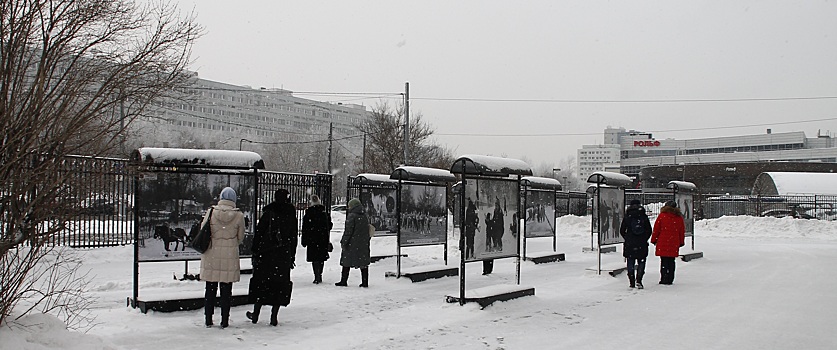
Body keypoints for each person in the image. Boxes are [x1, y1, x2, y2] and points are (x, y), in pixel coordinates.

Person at [247, 189, 297, 326]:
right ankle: (274, 316)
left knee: (262, 284)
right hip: (283, 255)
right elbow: (293, 237)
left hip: (266, 254)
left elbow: (259, 233)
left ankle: (256, 313)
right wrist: (292, 255)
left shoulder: (269, 213)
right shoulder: (290, 213)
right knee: (279, 286)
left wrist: (255, 251)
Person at [200, 187, 245, 328]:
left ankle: (208, 318)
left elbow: (203, 230)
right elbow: (241, 237)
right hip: (229, 256)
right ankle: (224, 319)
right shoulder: (239, 216)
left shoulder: (211, 212)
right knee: (226, 291)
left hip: (211, 254)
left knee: (210, 289)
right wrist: (230, 243)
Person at [335, 198, 371, 287]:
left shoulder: (352, 216)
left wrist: (344, 242)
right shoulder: (364, 215)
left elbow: (348, 231)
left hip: (352, 243)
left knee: (346, 261)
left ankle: (343, 281)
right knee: (363, 262)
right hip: (362, 243)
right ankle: (365, 282)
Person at [651, 200, 686, 285]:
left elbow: (656, 229)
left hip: (663, 241)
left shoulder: (662, 216)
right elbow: (681, 231)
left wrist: (654, 240)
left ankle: (664, 278)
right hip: (674, 242)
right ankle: (670, 278)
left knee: (664, 261)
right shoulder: (678, 218)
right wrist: (681, 242)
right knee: (671, 261)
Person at [619, 199, 652, 289]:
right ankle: (639, 280)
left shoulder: (627, 216)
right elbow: (649, 230)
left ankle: (632, 281)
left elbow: (622, 230)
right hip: (641, 243)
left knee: (630, 261)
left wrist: (627, 238)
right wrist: (644, 238)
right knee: (641, 261)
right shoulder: (643, 216)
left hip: (630, 243)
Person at [301, 194, 332, 284]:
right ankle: (320, 274)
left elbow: (305, 228)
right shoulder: (324, 213)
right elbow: (329, 225)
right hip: (322, 238)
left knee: (314, 258)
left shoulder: (309, 213)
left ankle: (316, 275)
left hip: (312, 239)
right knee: (321, 257)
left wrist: (304, 240)